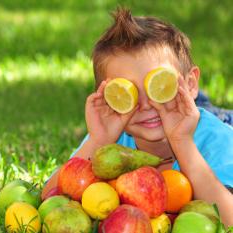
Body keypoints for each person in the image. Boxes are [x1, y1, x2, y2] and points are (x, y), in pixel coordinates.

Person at [42, 7, 233, 226]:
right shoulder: (112, 140)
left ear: (190, 84)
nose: (146, 105)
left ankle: (201, 102)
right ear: (109, 98)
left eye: (160, 87)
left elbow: (230, 218)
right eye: (129, 91)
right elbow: (49, 196)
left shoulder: (218, 140)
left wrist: (183, 142)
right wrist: (98, 140)